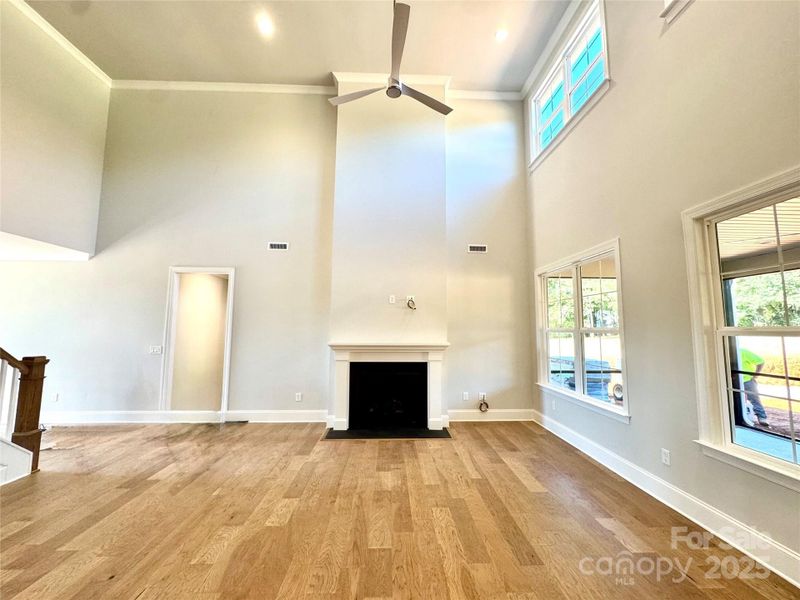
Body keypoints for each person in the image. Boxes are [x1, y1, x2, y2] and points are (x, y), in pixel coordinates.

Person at [740, 348, 770, 427]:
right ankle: (741, 417)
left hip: (747, 380)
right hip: (733, 381)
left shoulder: (743, 352)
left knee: (754, 399)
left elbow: (760, 362)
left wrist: (756, 374)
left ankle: (762, 418)